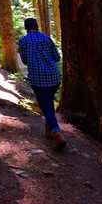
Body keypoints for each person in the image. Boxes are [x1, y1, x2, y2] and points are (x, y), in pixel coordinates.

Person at [17, 17, 66, 151]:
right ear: (37, 26)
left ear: (26, 27)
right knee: (48, 103)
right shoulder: (46, 38)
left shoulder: (23, 41)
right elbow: (57, 57)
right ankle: (48, 131)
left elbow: (25, 61)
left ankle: (56, 132)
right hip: (54, 77)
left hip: (38, 79)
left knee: (46, 107)